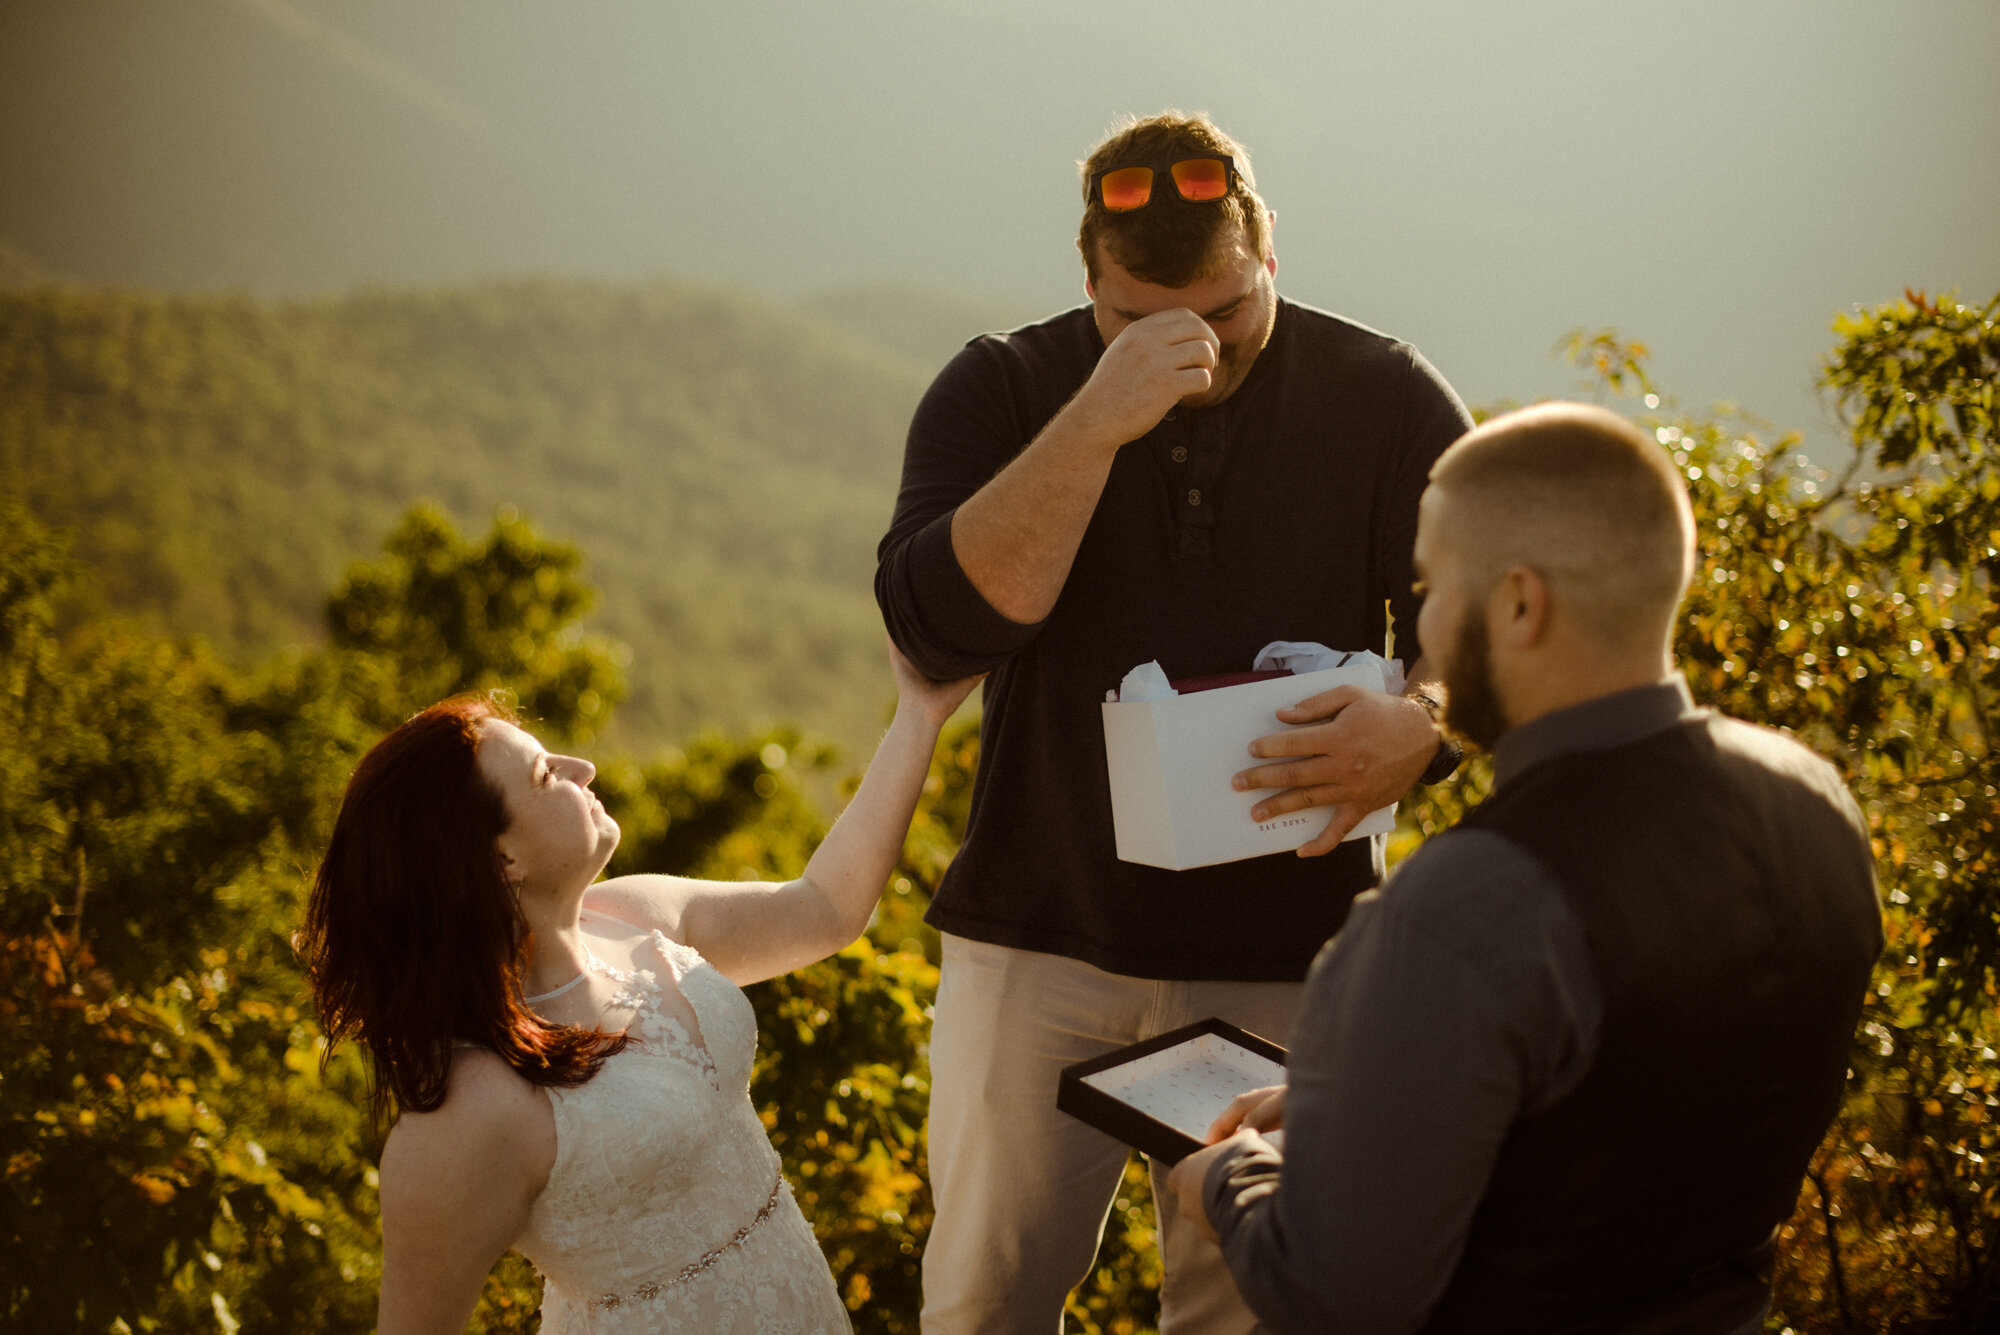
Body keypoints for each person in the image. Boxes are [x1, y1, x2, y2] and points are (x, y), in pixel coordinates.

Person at [875, 111, 1473, 1332]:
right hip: (1039, 941)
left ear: (1269, 254)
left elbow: (1475, 622)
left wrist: (1423, 719)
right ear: (1086, 275)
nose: (1191, 348)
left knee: (1253, 1305)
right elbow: (937, 630)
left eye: (1223, 312)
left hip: (1286, 958)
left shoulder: (1386, 392)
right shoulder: (1004, 385)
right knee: (984, 1298)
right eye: (1140, 319)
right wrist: (1099, 414)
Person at [1169, 402, 1885, 1332]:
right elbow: (1623, 1100)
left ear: (1518, 602)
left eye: (1429, 586)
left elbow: (1336, 1293)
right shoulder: (1816, 803)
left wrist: (1230, 1175)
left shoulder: (1461, 909)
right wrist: (1356, 1104)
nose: (1420, 622)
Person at [296, 644, 979, 1334]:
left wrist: (919, 715)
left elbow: (824, 909)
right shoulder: (468, 1112)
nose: (582, 767)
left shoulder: (636, 916)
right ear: (500, 857)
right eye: (544, 773)